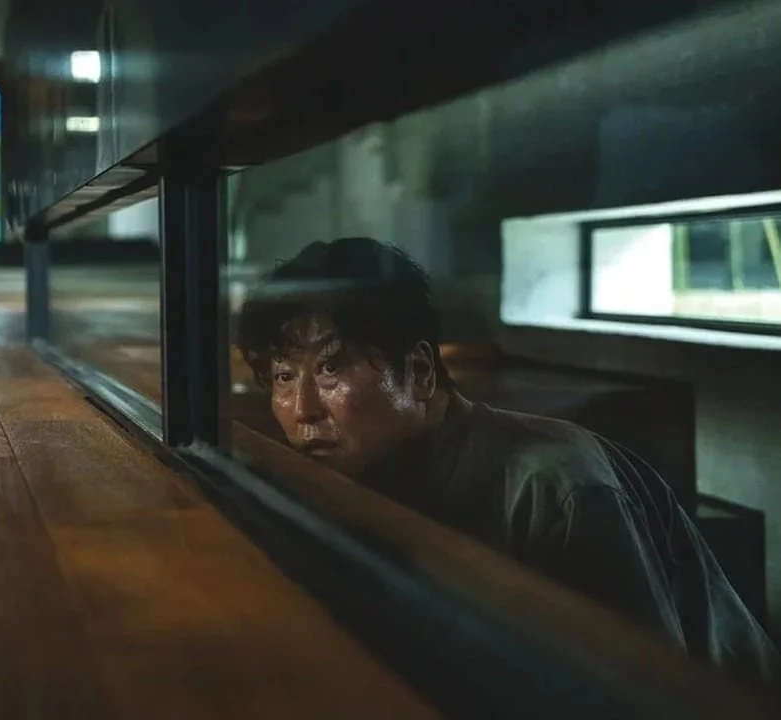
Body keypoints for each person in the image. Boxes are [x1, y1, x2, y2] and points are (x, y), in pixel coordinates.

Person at [235, 236, 779, 687]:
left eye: (332, 369)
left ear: (419, 373)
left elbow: (638, 699)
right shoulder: (353, 479)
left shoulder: (558, 487)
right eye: (284, 376)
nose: (302, 408)